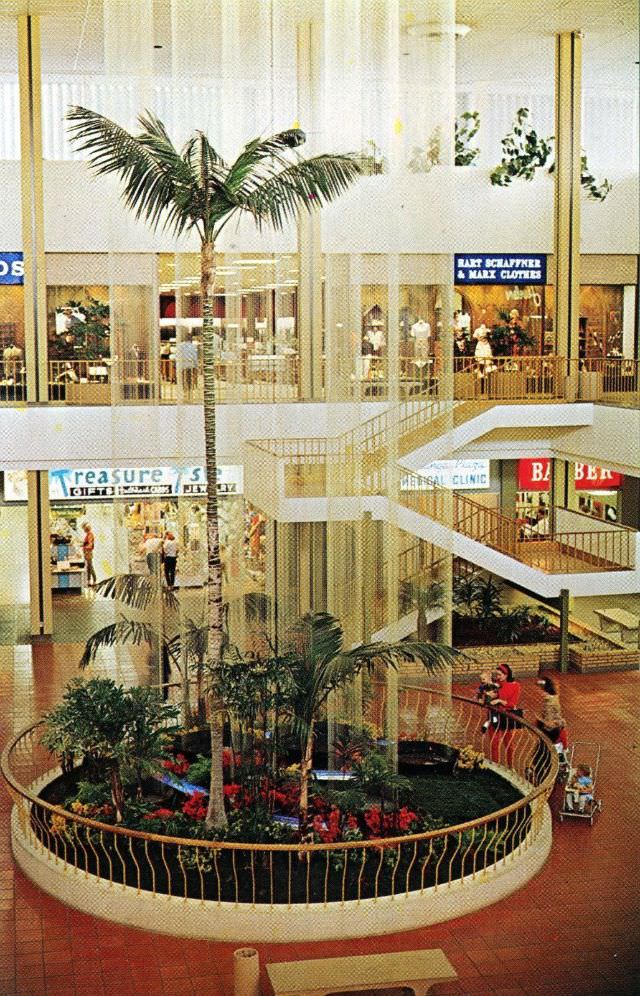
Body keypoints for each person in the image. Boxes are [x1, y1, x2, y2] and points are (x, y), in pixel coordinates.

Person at [530, 675, 566, 782]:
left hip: (550, 731)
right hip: (553, 730)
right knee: (546, 752)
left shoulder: (549, 702)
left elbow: (549, 723)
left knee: (542, 753)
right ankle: (546, 774)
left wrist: (539, 719)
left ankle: (542, 776)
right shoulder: (553, 698)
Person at [490, 663, 522, 765]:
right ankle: (496, 765)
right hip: (495, 714)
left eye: (500, 675)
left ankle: (510, 765)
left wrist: (499, 701)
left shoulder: (515, 686)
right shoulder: (496, 684)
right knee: (494, 743)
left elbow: (512, 704)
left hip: (507, 716)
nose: (498, 677)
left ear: (506, 675)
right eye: (497, 675)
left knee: (509, 744)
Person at [82, 522, 97, 587]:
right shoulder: (88, 534)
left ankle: (94, 580)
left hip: (88, 552)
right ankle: (89, 580)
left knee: (90, 566)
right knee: (89, 566)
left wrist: (84, 547)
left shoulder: (90, 535)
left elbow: (90, 545)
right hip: (87, 552)